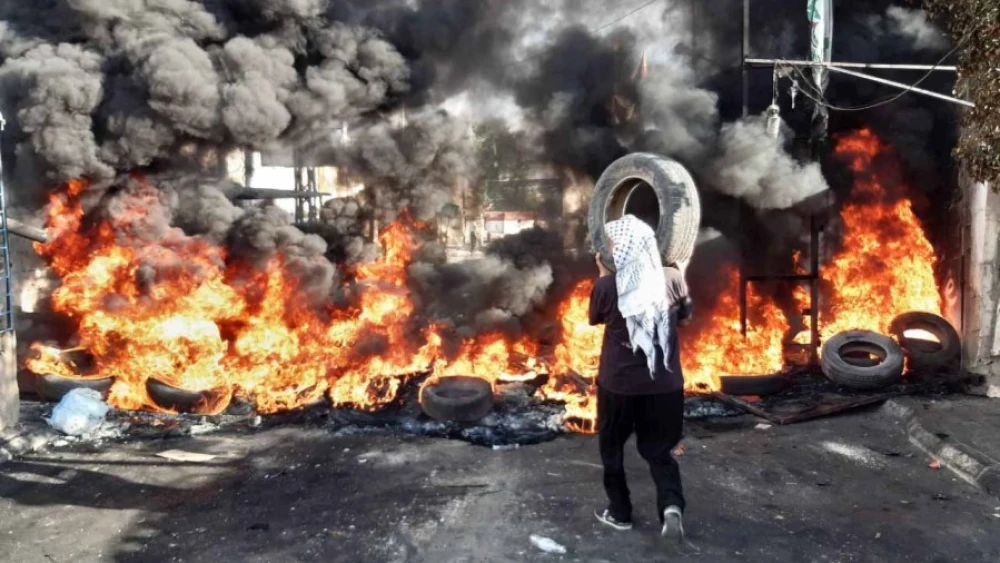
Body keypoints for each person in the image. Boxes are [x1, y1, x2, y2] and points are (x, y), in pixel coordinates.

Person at [589, 214, 693, 542]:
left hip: (618, 386)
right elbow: (685, 319)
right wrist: (677, 274)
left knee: (612, 448)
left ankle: (620, 513)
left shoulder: (606, 285)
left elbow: (595, 319)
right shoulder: (672, 278)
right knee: (660, 450)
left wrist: (604, 273)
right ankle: (671, 507)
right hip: (666, 387)